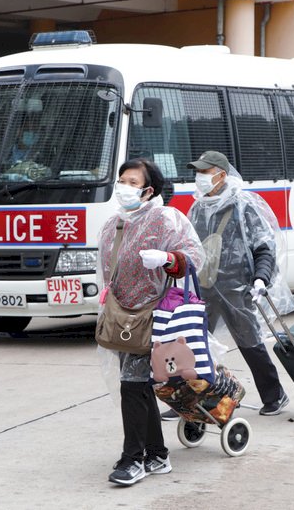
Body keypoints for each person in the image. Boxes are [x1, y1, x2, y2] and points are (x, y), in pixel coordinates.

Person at [97, 158, 203, 486]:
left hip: (155, 316)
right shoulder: (113, 224)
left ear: (148, 190)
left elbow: (196, 257)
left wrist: (169, 259)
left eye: (132, 182)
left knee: (131, 385)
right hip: (121, 316)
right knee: (140, 386)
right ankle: (157, 453)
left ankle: (132, 460)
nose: (123, 188)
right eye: (122, 181)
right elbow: (105, 268)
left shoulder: (166, 219)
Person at [181, 150, 294, 416]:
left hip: (237, 285)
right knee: (194, 343)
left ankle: (275, 395)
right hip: (205, 285)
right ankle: (191, 400)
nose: (200, 178)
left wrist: (261, 278)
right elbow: (191, 246)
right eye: (198, 172)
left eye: (205, 172)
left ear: (221, 175)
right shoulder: (198, 208)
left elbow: (264, 245)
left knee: (250, 343)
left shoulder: (244, 205)